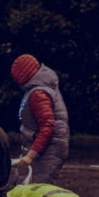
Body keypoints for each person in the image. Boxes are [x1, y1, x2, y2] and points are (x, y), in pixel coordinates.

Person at [11, 54, 69, 184]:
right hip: (46, 147)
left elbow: (47, 126)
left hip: (47, 149)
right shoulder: (42, 88)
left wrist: (31, 155)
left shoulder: (38, 94)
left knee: (36, 189)